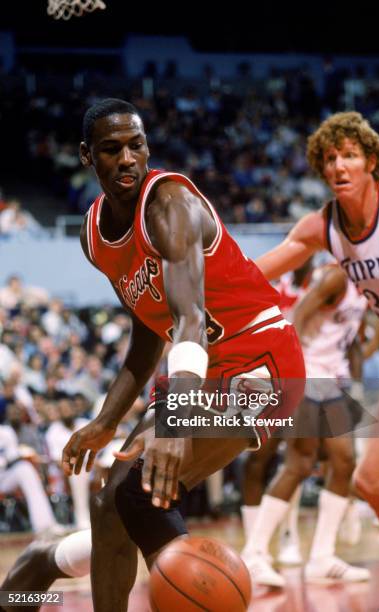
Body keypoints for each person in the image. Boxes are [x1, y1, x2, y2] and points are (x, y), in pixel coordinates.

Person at [57, 98, 305, 612]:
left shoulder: (169, 204)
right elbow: (149, 331)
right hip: (203, 369)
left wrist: (175, 421)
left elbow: (189, 317)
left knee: (141, 492)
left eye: (137, 145)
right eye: (111, 149)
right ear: (87, 156)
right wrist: (106, 420)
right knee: (108, 499)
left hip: (262, 362)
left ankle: (198, 598)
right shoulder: (93, 235)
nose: (127, 158)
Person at [255, 111, 379, 611]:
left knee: (341, 466)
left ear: (371, 161)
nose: (339, 165)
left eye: (350, 155)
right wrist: (196, 288)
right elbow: (254, 275)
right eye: (330, 157)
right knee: (369, 480)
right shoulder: (322, 229)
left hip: (343, 372)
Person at [241, 262, 370, 586]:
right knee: (299, 463)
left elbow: (353, 340)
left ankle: (322, 557)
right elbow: (296, 319)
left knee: (344, 461)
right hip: (308, 373)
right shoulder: (336, 277)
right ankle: (255, 553)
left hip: (333, 380)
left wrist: (355, 384)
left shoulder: (366, 284)